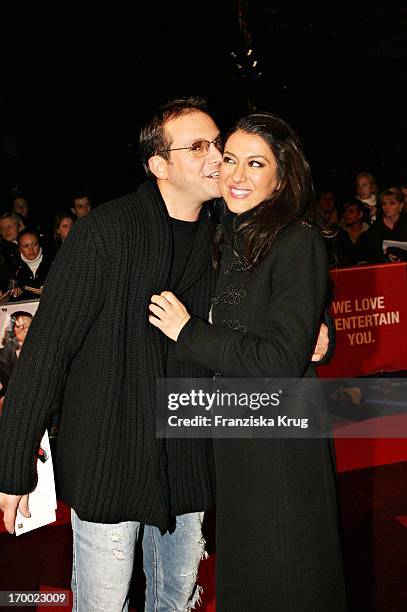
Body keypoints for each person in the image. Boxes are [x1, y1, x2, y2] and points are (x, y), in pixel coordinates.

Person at [0, 98, 330, 611]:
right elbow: (48, 350)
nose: (218, 158)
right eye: (199, 147)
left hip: (186, 464)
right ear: (159, 165)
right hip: (110, 461)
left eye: (218, 143)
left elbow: (277, 281)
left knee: (175, 603)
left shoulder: (226, 231)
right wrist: (13, 463)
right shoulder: (105, 232)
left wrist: (319, 322)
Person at [149, 112, 347, 611]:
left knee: (285, 579)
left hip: (280, 443)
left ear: (282, 175)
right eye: (230, 160)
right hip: (237, 434)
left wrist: (187, 331)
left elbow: (279, 358)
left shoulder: (296, 238)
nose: (237, 176)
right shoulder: (229, 233)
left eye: (255, 164)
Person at [358, 187, 407, 263]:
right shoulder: (377, 226)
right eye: (384, 203)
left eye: (392, 203)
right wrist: (385, 257)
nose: (387, 207)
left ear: (401, 205)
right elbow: (370, 251)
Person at [13, 229, 53, 299]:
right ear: (19, 249)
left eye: (34, 244)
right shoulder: (15, 267)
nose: (31, 249)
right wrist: (16, 293)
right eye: (26, 246)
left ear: (39, 244)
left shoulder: (52, 262)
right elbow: (10, 294)